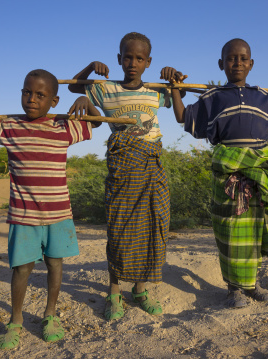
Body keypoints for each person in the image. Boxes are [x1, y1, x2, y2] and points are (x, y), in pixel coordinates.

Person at [163, 38, 268, 308]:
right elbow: (183, 117)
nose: (237, 62)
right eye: (231, 58)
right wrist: (175, 88)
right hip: (229, 174)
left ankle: (253, 284)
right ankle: (234, 288)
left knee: (254, 231)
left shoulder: (263, 96)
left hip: (260, 172)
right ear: (221, 64)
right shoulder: (212, 98)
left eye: (242, 58)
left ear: (251, 64)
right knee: (231, 232)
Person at [0, 69, 101, 349]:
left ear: (54, 101)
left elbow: (96, 123)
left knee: (54, 264)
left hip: (58, 214)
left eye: (40, 95)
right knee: (22, 269)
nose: (31, 99)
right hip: (23, 216)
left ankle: (50, 314)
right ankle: (16, 320)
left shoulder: (64, 126)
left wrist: (86, 102)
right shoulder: (10, 127)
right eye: (26, 92)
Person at [68, 32, 183, 320]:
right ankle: (115, 293)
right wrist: (90, 70)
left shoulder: (157, 90)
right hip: (123, 168)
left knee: (151, 227)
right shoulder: (105, 89)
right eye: (128, 57)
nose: (133, 62)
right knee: (119, 231)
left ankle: (140, 290)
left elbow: (180, 95)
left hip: (152, 166)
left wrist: (174, 79)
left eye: (139, 58)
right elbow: (72, 87)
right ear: (119, 59)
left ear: (148, 62)